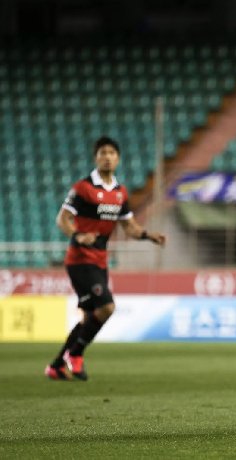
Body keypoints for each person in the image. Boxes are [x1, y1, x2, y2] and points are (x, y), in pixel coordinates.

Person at [44, 136, 166, 381]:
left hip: (99, 261)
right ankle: (75, 354)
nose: (107, 157)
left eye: (111, 152)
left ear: (118, 158)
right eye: (102, 153)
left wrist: (147, 235)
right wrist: (77, 235)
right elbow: (63, 219)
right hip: (79, 260)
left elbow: (128, 227)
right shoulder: (83, 188)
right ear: (96, 158)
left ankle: (56, 366)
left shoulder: (120, 192)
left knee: (90, 317)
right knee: (107, 307)